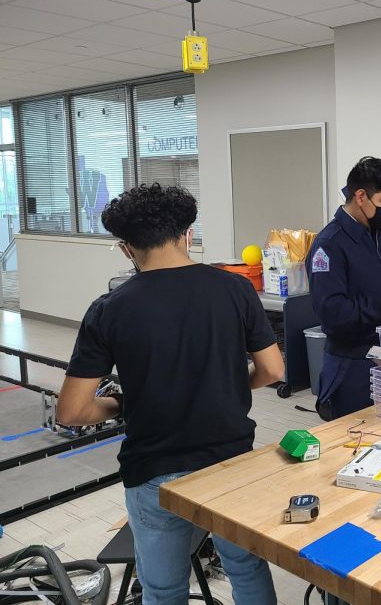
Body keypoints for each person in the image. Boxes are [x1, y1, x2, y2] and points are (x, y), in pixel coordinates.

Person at [57, 184, 283, 605]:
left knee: (163, 589)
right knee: (247, 568)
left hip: (154, 467)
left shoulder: (110, 308)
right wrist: (231, 386)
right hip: (232, 458)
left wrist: (125, 402)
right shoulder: (235, 289)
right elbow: (272, 370)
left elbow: (72, 412)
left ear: (126, 249)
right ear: (188, 235)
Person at [307, 157, 381, 421]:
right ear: (360, 196)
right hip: (352, 366)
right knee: (354, 444)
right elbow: (334, 315)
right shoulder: (330, 245)